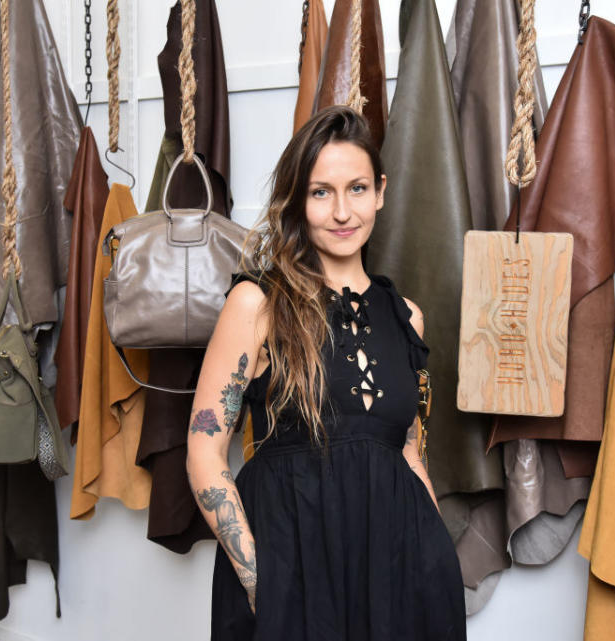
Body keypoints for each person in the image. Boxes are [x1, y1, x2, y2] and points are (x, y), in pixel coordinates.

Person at [186, 105, 467, 640]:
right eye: (321, 192)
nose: (342, 211)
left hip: (401, 568)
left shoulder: (408, 316)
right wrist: (257, 580)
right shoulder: (258, 303)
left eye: (357, 188)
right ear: (298, 200)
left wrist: (439, 556)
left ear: (380, 192)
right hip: (290, 566)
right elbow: (204, 451)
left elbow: (408, 451)